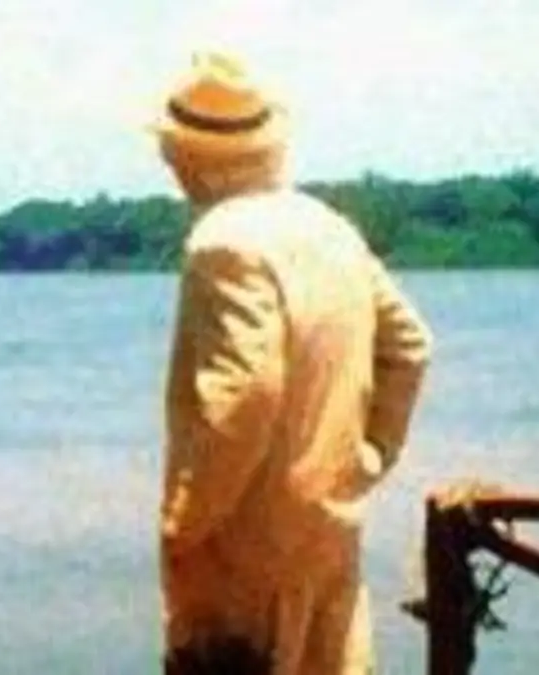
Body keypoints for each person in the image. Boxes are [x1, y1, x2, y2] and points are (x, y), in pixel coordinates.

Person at [153, 52, 433, 674]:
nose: (167, 164)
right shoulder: (330, 229)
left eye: (171, 151)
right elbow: (409, 347)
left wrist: (185, 519)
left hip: (243, 562)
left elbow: (245, 393)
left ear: (191, 157)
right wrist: (369, 456)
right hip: (330, 536)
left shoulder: (222, 242)